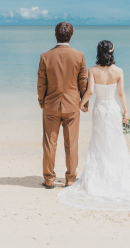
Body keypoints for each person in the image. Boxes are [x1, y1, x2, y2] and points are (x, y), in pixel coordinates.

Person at [57, 40, 130, 211]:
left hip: (99, 108)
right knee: (115, 143)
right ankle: (116, 178)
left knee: (98, 143)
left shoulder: (93, 70)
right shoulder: (119, 71)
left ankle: (99, 178)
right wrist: (126, 112)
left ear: (98, 52)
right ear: (112, 52)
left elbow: (90, 92)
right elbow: (121, 93)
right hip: (112, 109)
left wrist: (81, 104)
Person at [37, 22, 88, 189]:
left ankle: (49, 179)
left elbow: (41, 84)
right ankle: (70, 179)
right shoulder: (79, 56)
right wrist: (84, 102)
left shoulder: (45, 56)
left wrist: (41, 100)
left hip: (51, 106)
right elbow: (82, 82)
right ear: (71, 36)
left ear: (55, 34)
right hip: (72, 105)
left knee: (49, 143)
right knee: (71, 143)